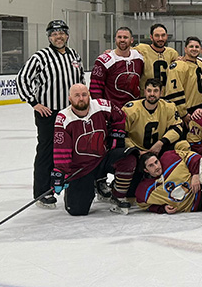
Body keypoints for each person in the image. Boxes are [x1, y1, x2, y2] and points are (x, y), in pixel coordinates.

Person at [17, 19, 85, 207]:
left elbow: (80, 81)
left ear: (67, 35)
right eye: (54, 34)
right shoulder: (41, 57)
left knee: (72, 150)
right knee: (47, 152)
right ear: (49, 37)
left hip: (71, 112)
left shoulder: (74, 55)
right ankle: (41, 192)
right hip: (48, 112)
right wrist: (34, 103)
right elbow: (22, 79)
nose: (58, 36)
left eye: (61, 33)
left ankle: (70, 186)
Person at [52, 83, 138, 216]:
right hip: (82, 167)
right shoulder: (63, 118)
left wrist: (116, 136)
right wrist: (61, 173)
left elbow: (120, 116)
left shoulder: (101, 105)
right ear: (70, 99)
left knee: (128, 158)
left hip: (103, 158)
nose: (81, 98)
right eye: (77, 95)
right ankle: (92, 184)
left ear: (89, 95)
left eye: (84, 95)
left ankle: (117, 195)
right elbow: (62, 149)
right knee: (77, 210)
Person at [123, 78, 186, 154]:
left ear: (161, 93)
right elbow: (122, 134)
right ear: (144, 92)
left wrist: (161, 143)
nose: (152, 94)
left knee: (184, 145)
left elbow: (177, 128)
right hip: (136, 149)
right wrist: (137, 152)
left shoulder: (169, 107)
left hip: (161, 148)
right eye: (149, 91)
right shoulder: (130, 109)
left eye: (155, 91)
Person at [89, 26, 144, 108]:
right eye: (119, 37)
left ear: (131, 40)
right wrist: (101, 109)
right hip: (113, 111)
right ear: (115, 39)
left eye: (125, 37)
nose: (122, 40)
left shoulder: (139, 57)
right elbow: (95, 88)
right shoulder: (104, 61)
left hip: (134, 110)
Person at [133, 150, 202, 214]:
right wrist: (163, 208)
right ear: (146, 170)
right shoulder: (144, 190)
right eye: (151, 165)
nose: (156, 167)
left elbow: (193, 156)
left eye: (156, 162)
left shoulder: (170, 157)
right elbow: (143, 204)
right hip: (195, 206)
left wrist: (195, 174)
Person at [134, 23, 179, 97]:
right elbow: (125, 52)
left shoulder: (172, 53)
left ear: (167, 36)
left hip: (165, 97)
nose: (160, 39)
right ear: (151, 37)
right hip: (146, 98)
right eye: (157, 35)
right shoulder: (142, 49)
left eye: (163, 35)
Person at [168, 36, 202, 117]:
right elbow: (173, 92)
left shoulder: (200, 64)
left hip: (200, 108)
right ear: (185, 49)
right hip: (187, 110)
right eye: (191, 46)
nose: (194, 49)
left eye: (197, 47)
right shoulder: (178, 66)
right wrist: (183, 114)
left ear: (200, 50)